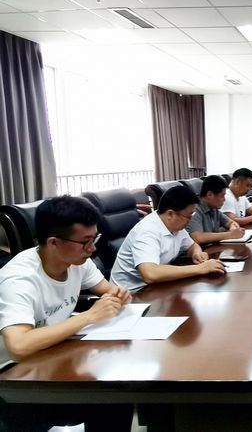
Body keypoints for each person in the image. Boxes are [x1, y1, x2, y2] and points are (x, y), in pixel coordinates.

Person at [0, 195, 133, 431]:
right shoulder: (19, 279)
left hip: (51, 357)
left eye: (94, 238)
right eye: (85, 242)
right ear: (54, 243)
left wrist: (119, 295)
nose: (92, 249)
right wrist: (88, 317)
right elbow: (18, 346)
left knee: (117, 394)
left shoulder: (77, 261)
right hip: (13, 378)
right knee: (109, 397)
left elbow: (108, 290)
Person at [111, 185, 225, 291]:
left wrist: (196, 253)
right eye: (189, 216)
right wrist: (201, 268)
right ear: (170, 214)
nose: (190, 220)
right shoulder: (147, 231)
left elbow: (192, 245)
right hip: (132, 293)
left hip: (156, 287)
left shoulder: (175, 225)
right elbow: (150, 273)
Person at [186, 175, 245, 245]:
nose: (224, 199)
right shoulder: (194, 210)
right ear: (209, 194)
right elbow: (198, 237)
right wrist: (231, 234)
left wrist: (233, 228)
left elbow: (231, 223)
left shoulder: (214, 209)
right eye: (222, 196)